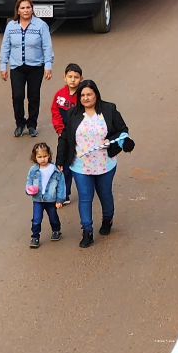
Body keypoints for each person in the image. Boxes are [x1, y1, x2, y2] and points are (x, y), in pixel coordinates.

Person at [57, 80, 133, 248]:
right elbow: (64, 138)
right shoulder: (72, 114)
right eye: (82, 95)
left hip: (105, 164)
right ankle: (87, 231)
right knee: (85, 198)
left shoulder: (109, 109)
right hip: (80, 166)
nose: (86, 98)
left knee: (105, 194)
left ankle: (107, 220)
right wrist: (60, 161)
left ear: (96, 94)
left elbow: (123, 131)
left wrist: (112, 140)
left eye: (89, 94)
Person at [0, 0, 54, 138]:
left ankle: (32, 125)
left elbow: (47, 46)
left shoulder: (41, 25)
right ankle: (20, 123)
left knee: (34, 97)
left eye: (28, 7)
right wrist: (3, 66)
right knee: (17, 96)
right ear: (17, 10)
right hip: (17, 67)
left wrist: (48, 65)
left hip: (36, 67)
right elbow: (5, 46)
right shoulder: (11, 26)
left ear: (32, 9)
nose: (25, 10)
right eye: (22, 8)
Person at [50, 63, 82, 206]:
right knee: (63, 165)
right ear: (64, 78)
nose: (73, 80)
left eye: (76, 77)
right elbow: (55, 112)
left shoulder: (83, 96)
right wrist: (59, 129)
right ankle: (65, 193)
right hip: (64, 136)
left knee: (79, 164)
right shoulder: (60, 95)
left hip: (79, 137)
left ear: (81, 79)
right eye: (70, 76)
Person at [25, 142, 67, 248]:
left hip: (51, 200)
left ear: (49, 155)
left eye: (45, 156)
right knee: (36, 219)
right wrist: (28, 189)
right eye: (39, 157)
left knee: (53, 217)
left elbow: (61, 186)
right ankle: (35, 237)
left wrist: (60, 200)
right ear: (35, 157)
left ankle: (56, 230)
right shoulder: (33, 170)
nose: (43, 159)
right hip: (37, 199)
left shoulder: (55, 170)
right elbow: (29, 181)